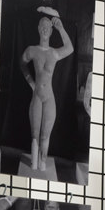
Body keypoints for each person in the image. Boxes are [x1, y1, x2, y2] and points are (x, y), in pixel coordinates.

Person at [20, 14, 73, 172]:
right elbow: (22, 64)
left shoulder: (54, 53)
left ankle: (42, 163)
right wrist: (31, 82)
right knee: (35, 134)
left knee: (45, 135)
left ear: (51, 31)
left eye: (47, 27)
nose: (44, 29)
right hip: (36, 96)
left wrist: (61, 28)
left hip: (49, 98)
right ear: (38, 29)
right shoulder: (32, 50)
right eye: (42, 26)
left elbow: (70, 48)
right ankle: (34, 164)